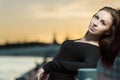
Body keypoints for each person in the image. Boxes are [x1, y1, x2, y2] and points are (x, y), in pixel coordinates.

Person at [35, 6, 120, 80]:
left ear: (108, 32)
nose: (95, 23)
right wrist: (47, 70)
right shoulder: (76, 42)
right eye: (96, 17)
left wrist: (51, 65)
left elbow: (89, 67)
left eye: (103, 23)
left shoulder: (93, 48)